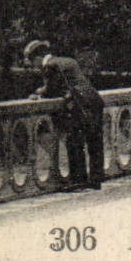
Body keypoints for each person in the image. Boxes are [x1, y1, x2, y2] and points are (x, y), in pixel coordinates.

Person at [25, 40, 105, 191]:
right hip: (94, 100)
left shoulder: (50, 66)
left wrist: (37, 94)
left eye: (31, 60)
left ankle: (78, 181)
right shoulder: (68, 60)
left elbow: (51, 90)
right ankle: (96, 180)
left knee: (74, 141)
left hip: (79, 105)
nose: (33, 65)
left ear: (38, 58)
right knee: (95, 141)